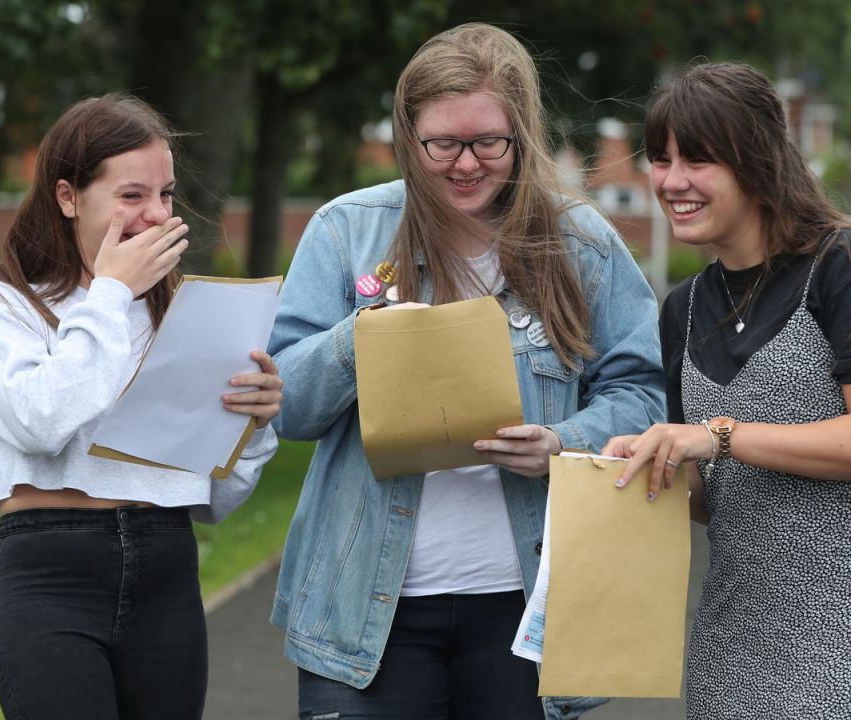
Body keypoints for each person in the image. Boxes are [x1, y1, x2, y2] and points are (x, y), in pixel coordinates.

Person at [267, 23, 665, 720]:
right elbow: (287, 408)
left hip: (523, 610)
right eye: (442, 144)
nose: (466, 164)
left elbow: (646, 392)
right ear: (408, 135)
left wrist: (563, 443)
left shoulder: (581, 242)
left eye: (488, 142)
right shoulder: (345, 231)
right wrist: (361, 338)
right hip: (362, 613)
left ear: (522, 133)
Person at [0, 93, 283, 720]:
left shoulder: (184, 313)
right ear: (68, 197)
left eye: (166, 194)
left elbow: (214, 499)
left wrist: (256, 426)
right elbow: (42, 423)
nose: (157, 214)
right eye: (132, 195)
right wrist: (109, 294)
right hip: (51, 569)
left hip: (166, 564)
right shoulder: (8, 306)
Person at [603, 62, 851, 719]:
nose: (671, 181)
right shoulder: (680, 309)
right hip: (729, 659)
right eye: (661, 159)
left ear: (758, 160)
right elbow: (715, 500)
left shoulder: (838, 265)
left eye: (698, 159)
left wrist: (717, 437)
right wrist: (651, 463)